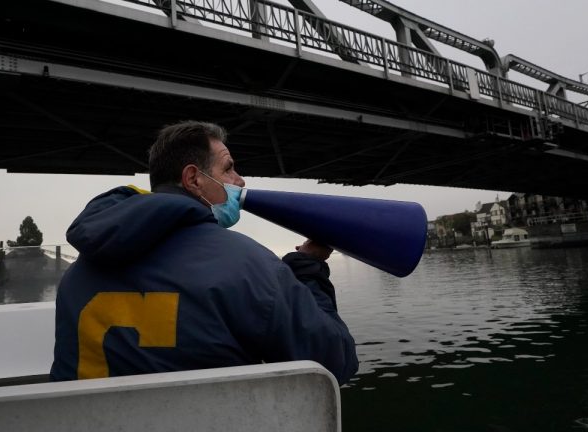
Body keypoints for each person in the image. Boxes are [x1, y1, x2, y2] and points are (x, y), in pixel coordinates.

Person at [50, 121, 358, 384]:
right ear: (193, 179)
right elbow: (334, 361)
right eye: (228, 168)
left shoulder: (77, 274)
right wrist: (308, 269)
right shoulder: (246, 265)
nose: (240, 180)